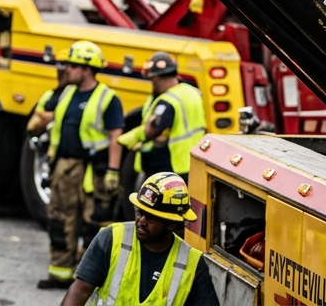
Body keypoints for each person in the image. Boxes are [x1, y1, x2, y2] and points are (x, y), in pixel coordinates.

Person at [38, 40, 124, 290]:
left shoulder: (107, 98)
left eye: (73, 65)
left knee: (93, 224)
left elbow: (115, 136)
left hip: (93, 172)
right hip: (65, 168)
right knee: (59, 219)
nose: (67, 69)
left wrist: (113, 171)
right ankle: (60, 273)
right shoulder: (67, 93)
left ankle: (89, 280)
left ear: (87, 69)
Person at [61, 172, 219, 306]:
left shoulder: (191, 263)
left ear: (172, 224)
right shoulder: (112, 238)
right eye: (139, 212)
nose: (141, 221)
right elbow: (80, 290)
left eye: (150, 218)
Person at [118, 52, 206, 181]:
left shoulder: (168, 100)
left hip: (174, 166)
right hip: (194, 161)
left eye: (151, 79)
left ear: (156, 78)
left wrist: (130, 137)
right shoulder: (191, 91)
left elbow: (151, 130)